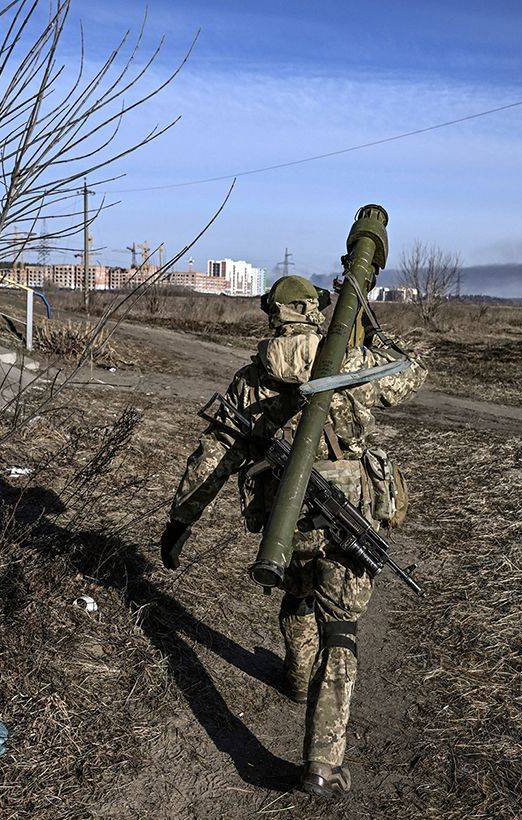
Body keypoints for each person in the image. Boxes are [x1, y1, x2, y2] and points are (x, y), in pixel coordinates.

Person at [158, 274, 426, 797]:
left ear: (273, 314)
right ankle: (323, 763)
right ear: (315, 310)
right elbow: (411, 373)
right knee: (341, 628)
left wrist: (181, 519)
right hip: (350, 514)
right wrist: (371, 327)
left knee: (297, 589)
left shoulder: (253, 380)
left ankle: (299, 679)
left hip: (286, 520)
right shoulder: (348, 366)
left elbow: (216, 454)